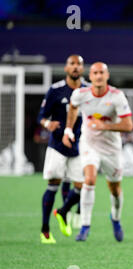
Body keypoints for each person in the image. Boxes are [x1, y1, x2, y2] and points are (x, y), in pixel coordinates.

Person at [63, 62, 133, 242]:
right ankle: (85, 226)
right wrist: (68, 130)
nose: (99, 76)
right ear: (90, 76)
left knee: (115, 189)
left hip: (111, 149)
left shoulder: (117, 96)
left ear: (107, 75)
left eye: (102, 72)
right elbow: (72, 108)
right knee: (90, 179)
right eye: (95, 73)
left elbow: (128, 125)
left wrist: (105, 125)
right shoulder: (80, 94)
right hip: (89, 145)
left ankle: (116, 219)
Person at [37, 54, 88, 244]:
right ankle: (45, 229)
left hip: (79, 146)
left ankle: (63, 211)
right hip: (57, 146)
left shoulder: (87, 90)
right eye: (72, 64)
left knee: (82, 186)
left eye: (79, 64)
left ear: (82, 69)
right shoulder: (56, 90)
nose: (75, 67)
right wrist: (47, 124)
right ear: (66, 68)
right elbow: (41, 116)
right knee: (53, 185)